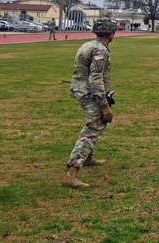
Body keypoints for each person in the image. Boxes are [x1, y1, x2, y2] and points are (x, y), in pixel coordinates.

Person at [62, 19, 118, 189]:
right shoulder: (100, 50)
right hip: (90, 93)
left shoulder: (88, 45)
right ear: (110, 33)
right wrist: (104, 104)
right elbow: (95, 78)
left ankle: (87, 158)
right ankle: (71, 174)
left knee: (97, 124)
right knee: (93, 128)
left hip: (80, 89)